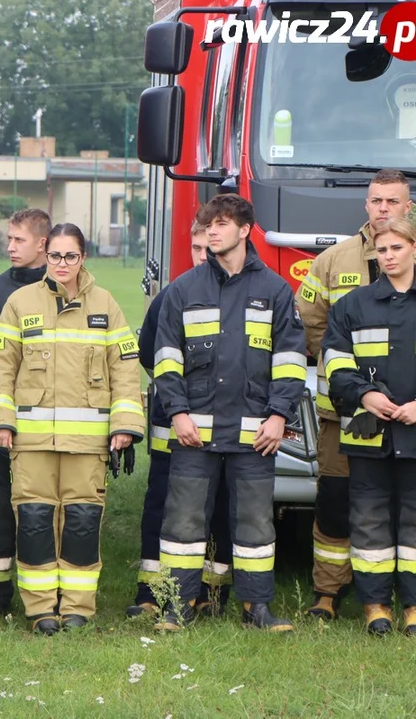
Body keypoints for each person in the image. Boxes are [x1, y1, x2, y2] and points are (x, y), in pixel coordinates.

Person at [298, 168, 416, 620]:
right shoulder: (332, 260)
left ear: (409, 209)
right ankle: (330, 591)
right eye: (375, 201)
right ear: (366, 205)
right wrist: (359, 389)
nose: (382, 209)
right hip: (343, 415)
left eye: (392, 202)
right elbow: (312, 325)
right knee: (340, 502)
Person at [153, 194, 306, 632]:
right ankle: (176, 608)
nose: (211, 232)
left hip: (255, 433)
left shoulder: (276, 291)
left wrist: (279, 416)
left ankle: (256, 609)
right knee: (182, 524)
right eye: (207, 225)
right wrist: (177, 412)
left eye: (220, 224)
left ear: (244, 230)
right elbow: (166, 359)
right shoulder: (183, 289)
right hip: (193, 433)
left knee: (256, 526)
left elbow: (291, 363)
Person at [0, 223, 144, 634]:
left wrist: (124, 425)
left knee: (82, 523)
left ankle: (77, 610)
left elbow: (125, 372)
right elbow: (1, 367)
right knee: (35, 520)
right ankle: (40, 611)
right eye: (55, 256)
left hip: (87, 444)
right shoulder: (20, 302)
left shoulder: (106, 304)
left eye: (70, 256)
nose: (62, 264)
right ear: (46, 256)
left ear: (83, 257)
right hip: (31, 440)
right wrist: (1, 421)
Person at [128, 221, 234, 619]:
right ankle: (151, 592)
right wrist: (178, 398)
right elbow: (148, 355)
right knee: (162, 503)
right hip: (172, 424)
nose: (201, 255)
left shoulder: (241, 294)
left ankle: (210, 592)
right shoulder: (171, 296)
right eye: (194, 247)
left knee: (220, 504)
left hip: (223, 426)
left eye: (208, 246)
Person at [0, 207, 50, 616]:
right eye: (9, 239)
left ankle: (46, 601)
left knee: (43, 516)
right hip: (1, 428)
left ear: (43, 243)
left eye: (19, 240)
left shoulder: (65, 289)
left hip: (52, 431)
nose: (10, 247)